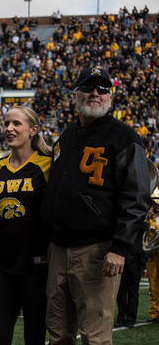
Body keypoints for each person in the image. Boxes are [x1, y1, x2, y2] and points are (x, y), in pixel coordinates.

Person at [40, 67, 150, 344]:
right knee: (57, 334)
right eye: (88, 88)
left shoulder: (124, 137)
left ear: (110, 98)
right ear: (74, 95)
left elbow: (136, 198)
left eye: (102, 89)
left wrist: (120, 247)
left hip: (97, 251)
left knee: (96, 337)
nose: (95, 94)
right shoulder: (67, 134)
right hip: (57, 249)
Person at [0, 106, 51, 344]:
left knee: (34, 336)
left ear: (33, 130)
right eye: (6, 124)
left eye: (16, 124)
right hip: (4, 265)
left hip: (38, 267)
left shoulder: (48, 164)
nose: (9, 129)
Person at [146, 204, 159, 324]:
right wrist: (147, 216)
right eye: (155, 205)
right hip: (152, 256)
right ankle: (154, 314)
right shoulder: (150, 218)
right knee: (153, 285)